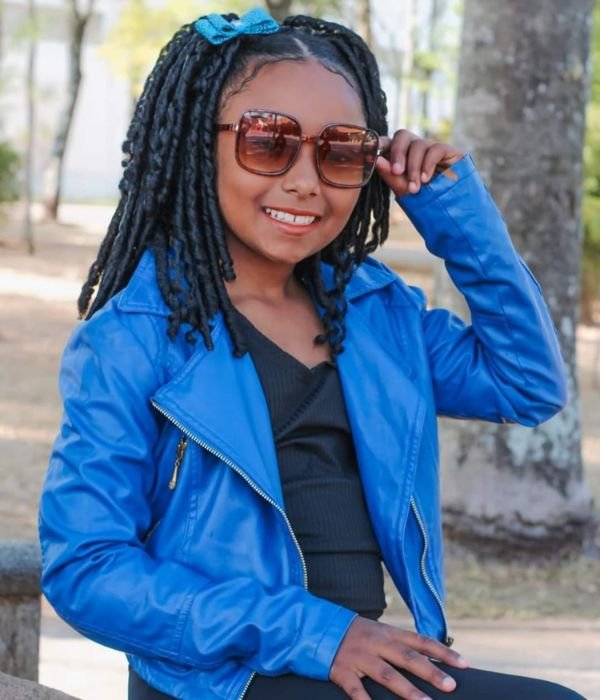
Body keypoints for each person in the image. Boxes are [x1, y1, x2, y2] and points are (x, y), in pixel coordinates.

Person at [38, 8, 586, 700]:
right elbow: (86, 567)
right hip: (221, 677)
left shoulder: (374, 313)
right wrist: (314, 633)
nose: (306, 180)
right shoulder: (134, 337)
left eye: (341, 151)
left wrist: (457, 214)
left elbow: (526, 383)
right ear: (199, 145)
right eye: (269, 142)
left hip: (354, 663)